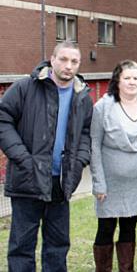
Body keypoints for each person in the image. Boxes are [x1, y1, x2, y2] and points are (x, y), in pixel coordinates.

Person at [0, 42, 93, 271]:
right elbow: (3, 120)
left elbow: (85, 133)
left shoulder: (83, 97)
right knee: (22, 246)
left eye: (74, 61)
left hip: (61, 182)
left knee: (58, 245)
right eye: (63, 59)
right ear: (52, 60)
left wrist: (79, 161)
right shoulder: (25, 88)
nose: (68, 66)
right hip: (27, 179)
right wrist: (23, 158)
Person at [90, 60, 137, 272]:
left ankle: (127, 269)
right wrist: (99, 183)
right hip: (109, 184)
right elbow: (94, 145)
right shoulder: (102, 107)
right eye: (127, 78)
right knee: (106, 227)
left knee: (129, 227)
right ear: (117, 81)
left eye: (135, 78)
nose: (132, 82)